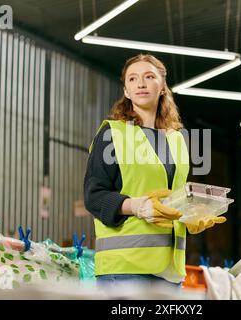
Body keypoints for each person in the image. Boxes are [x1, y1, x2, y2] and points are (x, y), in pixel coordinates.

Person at [83, 53, 226, 289]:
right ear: (126, 91)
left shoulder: (177, 140)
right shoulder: (112, 134)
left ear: (162, 87)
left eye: (149, 77)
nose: (140, 83)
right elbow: (94, 195)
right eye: (132, 79)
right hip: (124, 269)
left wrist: (192, 214)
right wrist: (138, 206)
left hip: (171, 272)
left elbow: (174, 198)